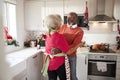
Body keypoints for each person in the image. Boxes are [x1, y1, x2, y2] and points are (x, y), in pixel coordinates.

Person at [42, 14, 70, 80]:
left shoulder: (47, 35)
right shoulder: (60, 37)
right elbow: (68, 51)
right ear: (58, 25)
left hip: (49, 64)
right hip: (59, 64)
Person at [58, 12, 84, 80]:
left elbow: (74, 46)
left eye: (73, 18)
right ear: (67, 18)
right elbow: (56, 39)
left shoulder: (79, 31)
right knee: (63, 77)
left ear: (77, 19)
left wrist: (61, 49)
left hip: (71, 57)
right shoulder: (62, 27)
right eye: (69, 17)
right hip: (60, 56)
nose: (71, 19)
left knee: (72, 77)